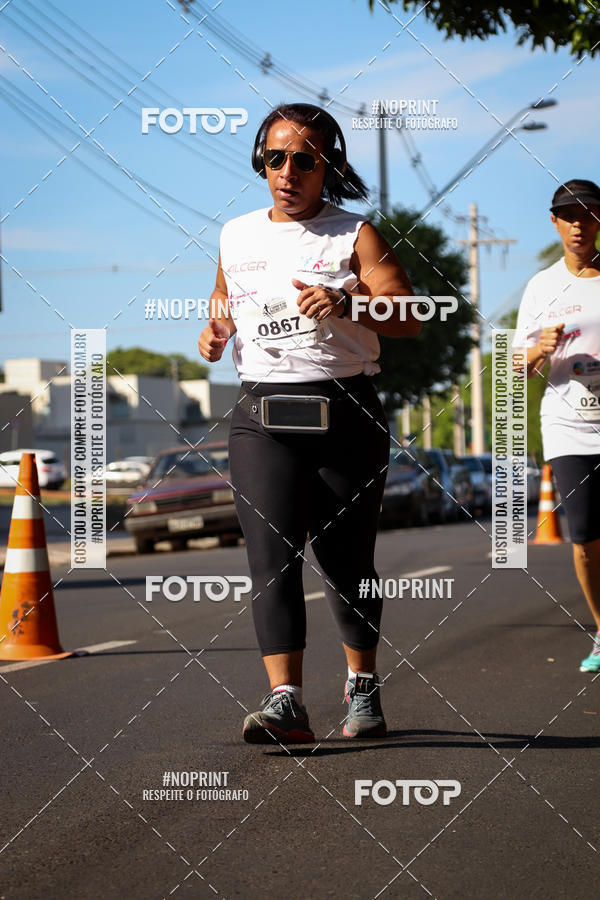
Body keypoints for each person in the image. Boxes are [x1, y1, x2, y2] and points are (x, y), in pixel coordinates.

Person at [198, 103, 419, 742]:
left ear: (327, 166)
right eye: (275, 158)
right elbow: (224, 299)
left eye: (304, 159)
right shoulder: (236, 234)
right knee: (271, 557)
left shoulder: (355, 234)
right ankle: (286, 702)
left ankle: (361, 685)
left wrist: (350, 301)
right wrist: (216, 328)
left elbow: (408, 315)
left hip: (343, 410)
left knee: (346, 561)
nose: (287, 170)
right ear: (260, 163)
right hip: (261, 412)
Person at [515, 178, 600, 672]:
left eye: (589, 213)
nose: (579, 223)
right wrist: (537, 349)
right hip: (568, 425)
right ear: (554, 222)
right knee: (586, 536)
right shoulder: (542, 287)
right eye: (569, 215)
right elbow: (513, 367)